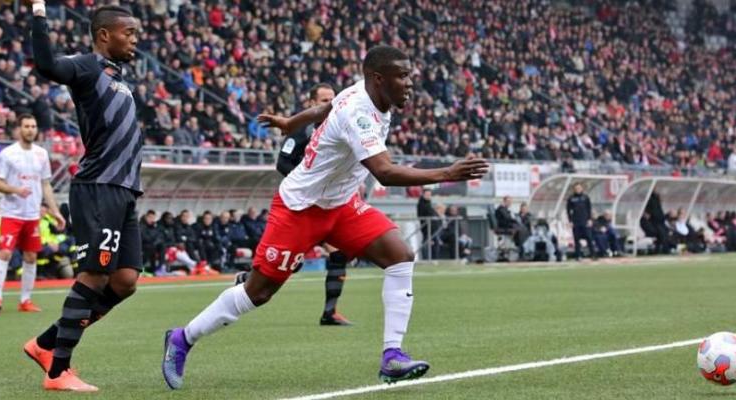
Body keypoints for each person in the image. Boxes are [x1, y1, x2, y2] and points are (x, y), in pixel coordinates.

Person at [162, 45, 490, 390]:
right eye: (403, 76)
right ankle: (182, 339)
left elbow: (326, 106)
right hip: (300, 208)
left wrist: (292, 122)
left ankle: (392, 355)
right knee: (257, 293)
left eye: (410, 76)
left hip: (342, 205)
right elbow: (385, 172)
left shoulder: (362, 94)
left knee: (400, 256)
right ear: (379, 79)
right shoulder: (359, 113)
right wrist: (447, 173)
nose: (410, 84)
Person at [22, 2, 143, 392]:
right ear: (105, 35)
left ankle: (45, 344)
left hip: (124, 190)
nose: (135, 40)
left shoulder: (118, 75)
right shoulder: (87, 66)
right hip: (97, 187)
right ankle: (58, 371)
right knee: (93, 275)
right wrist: (39, 13)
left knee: (124, 281)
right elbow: (47, 65)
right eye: (129, 33)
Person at [233, 83, 353, 326]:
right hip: (302, 205)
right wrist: (307, 181)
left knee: (339, 254)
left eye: (331, 99)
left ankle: (330, 312)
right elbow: (282, 163)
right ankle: (247, 279)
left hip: (326, 205)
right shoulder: (301, 130)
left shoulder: (341, 127)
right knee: (288, 264)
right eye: (322, 100)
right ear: (310, 103)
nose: (328, 104)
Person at [0, 114, 63, 313]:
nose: (30, 129)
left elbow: (46, 185)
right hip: (11, 213)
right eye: (26, 126)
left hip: (32, 215)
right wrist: (16, 190)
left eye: (33, 126)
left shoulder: (41, 154)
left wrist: (56, 212)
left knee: (31, 257)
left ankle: (25, 300)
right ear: (18, 129)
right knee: (5, 252)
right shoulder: (8, 153)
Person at [566, 183, 596, 260]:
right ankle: (578, 256)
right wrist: (570, 221)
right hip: (576, 221)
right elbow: (568, 210)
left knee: (589, 238)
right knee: (576, 239)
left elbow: (589, 209)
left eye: (579, 188)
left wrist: (589, 219)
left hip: (585, 221)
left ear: (582, 189)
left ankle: (593, 254)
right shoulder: (571, 198)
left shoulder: (585, 197)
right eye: (576, 188)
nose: (578, 190)